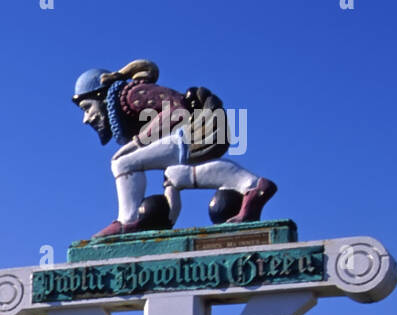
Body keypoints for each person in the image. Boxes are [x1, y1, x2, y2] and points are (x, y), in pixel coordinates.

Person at [72, 61, 277, 239]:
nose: (86, 118)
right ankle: (253, 186)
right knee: (176, 174)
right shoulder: (127, 113)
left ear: (101, 95)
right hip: (187, 135)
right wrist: (167, 221)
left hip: (192, 131)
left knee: (122, 162)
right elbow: (170, 179)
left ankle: (127, 219)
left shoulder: (132, 95)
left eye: (87, 108)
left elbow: (178, 110)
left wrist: (138, 142)